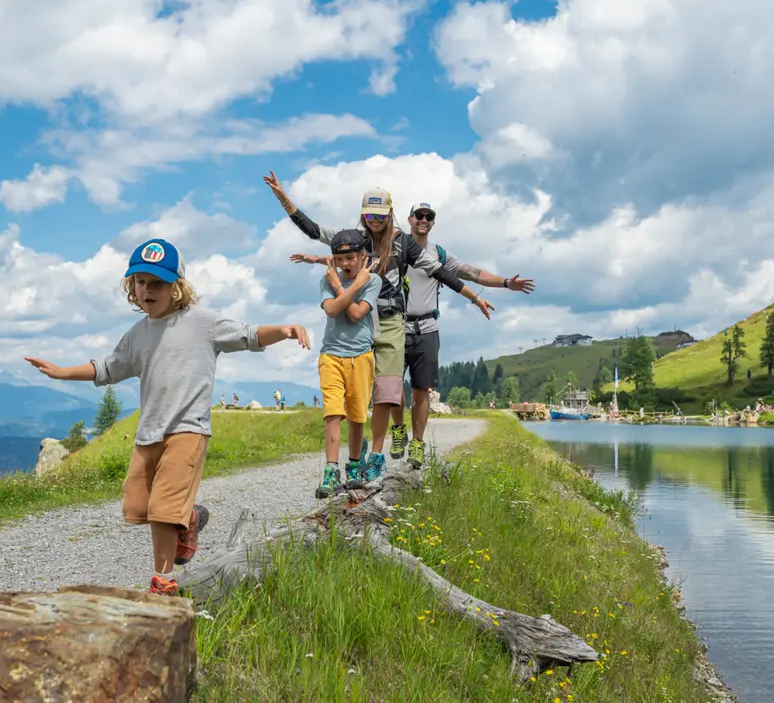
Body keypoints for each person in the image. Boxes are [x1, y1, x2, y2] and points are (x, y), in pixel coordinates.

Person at [24, 238, 310, 596]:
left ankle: (163, 581)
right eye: (140, 282)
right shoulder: (137, 334)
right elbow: (109, 368)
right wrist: (62, 372)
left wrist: (284, 330)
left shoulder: (203, 323)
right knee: (139, 506)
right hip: (149, 433)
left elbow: (248, 334)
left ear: (177, 287)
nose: (147, 290)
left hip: (188, 430)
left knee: (161, 511)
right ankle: (189, 518)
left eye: (157, 282)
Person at [264, 171, 493, 478]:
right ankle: (355, 457)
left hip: (391, 321)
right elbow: (312, 229)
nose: (374, 220)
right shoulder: (353, 239)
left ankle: (376, 456)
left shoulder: (404, 243)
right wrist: (283, 197)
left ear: (390, 213)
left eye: (380, 214)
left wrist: (474, 297)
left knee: (387, 389)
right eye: (369, 214)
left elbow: (440, 272)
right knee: (358, 396)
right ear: (362, 214)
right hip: (359, 322)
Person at [389, 202, 535, 462]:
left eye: (429, 216)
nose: (424, 220)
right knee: (393, 385)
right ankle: (399, 430)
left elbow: (473, 273)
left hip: (427, 328)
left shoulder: (440, 254)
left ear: (433, 222)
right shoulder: (396, 247)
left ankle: (418, 445)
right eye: (419, 216)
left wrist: (504, 283)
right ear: (409, 219)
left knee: (422, 390)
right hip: (396, 326)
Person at [314, 230, 382, 497]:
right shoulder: (326, 280)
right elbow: (331, 309)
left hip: (361, 356)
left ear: (362, 256)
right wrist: (348, 286)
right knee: (332, 412)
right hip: (331, 354)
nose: (346, 264)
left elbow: (355, 314)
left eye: (351, 257)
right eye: (340, 259)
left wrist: (344, 287)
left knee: (356, 415)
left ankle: (354, 465)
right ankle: (331, 470)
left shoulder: (373, 281)